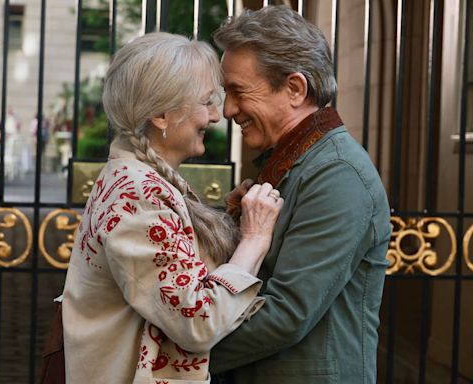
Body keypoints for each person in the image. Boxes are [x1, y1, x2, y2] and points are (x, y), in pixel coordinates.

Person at [61, 32, 283, 384]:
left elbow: (172, 274)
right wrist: (255, 239)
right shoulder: (137, 194)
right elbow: (197, 320)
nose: (215, 115)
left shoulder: (137, 179)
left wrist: (228, 223)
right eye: (206, 101)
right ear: (162, 115)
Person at [209, 5, 391, 384]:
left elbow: (285, 314)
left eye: (238, 91)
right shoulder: (296, 160)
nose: (228, 110)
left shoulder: (338, 174)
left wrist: (172, 348)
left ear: (294, 88)